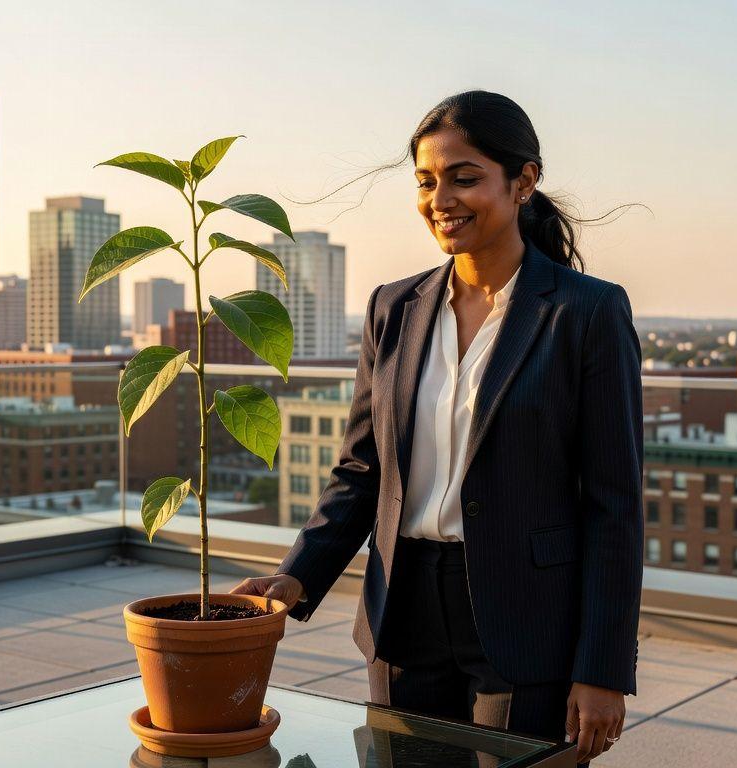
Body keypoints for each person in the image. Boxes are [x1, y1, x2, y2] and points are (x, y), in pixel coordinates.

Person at [231, 90, 643, 766]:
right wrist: (295, 576)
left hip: (527, 619)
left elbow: (614, 506)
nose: (440, 199)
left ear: (524, 181)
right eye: (425, 181)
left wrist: (603, 668)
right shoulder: (393, 308)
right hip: (404, 610)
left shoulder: (585, 313)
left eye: (464, 177)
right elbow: (362, 472)